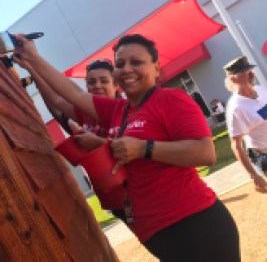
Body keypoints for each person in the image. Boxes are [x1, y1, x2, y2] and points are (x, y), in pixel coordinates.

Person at [14, 33, 240, 262]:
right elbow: (71, 94)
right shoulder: (117, 110)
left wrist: (144, 148)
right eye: (120, 64)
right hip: (153, 231)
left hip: (193, 221)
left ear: (156, 67)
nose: (127, 69)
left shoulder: (170, 99)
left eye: (137, 62)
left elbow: (205, 153)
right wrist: (33, 58)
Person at [13, 55, 126, 217]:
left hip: (137, 193)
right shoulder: (86, 113)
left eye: (104, 81)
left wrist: (97, 143)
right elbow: (57, 102)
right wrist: (31, 69)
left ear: (116, 84)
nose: (97, 86)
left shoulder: (125, 111)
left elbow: (136, 150)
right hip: (113, 198)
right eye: (92, 82)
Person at [224, 56, 267, 193]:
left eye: (250, 70)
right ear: (233, 79)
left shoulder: (260, 90)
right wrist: (254, 176)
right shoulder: (236, 108)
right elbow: (236, 145)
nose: (251, 74)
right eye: (245, 72)